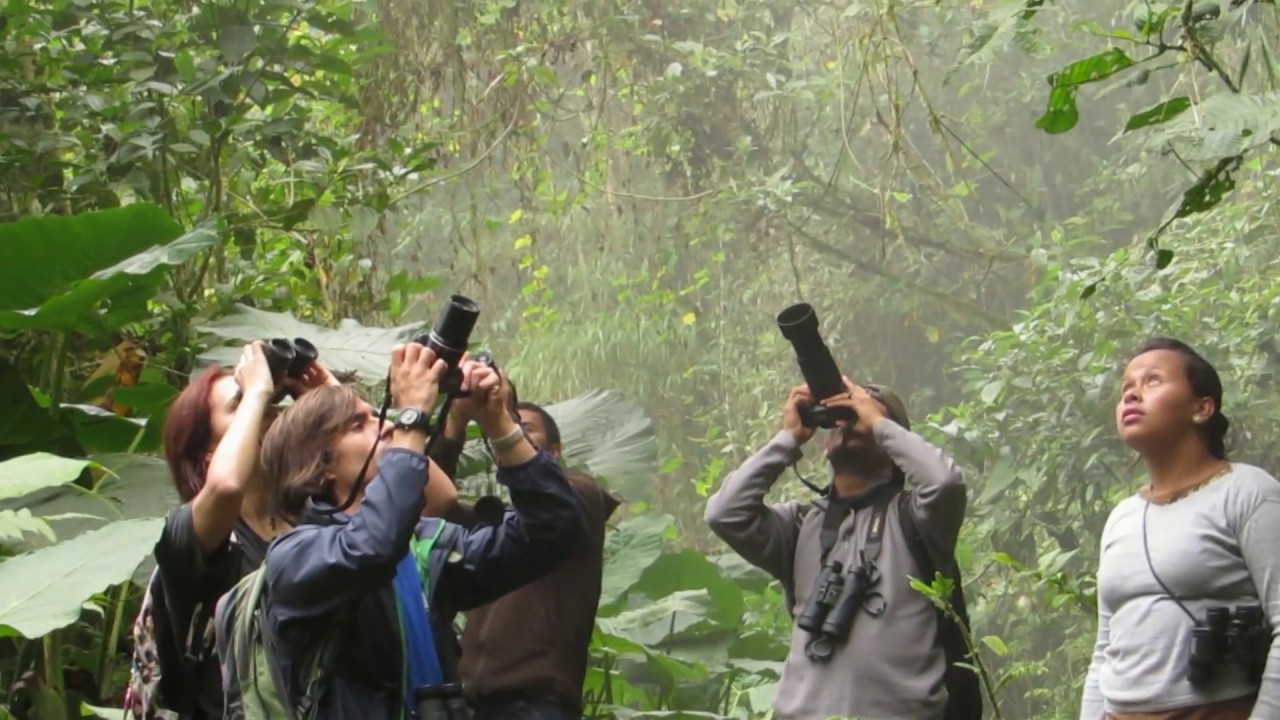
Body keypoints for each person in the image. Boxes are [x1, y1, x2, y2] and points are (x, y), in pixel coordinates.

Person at [244, 343, 587, 718]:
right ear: (319, 466)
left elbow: (551, 531)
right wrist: (412, 417)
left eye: (379, 415)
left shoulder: (426, 546)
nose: (389, 425)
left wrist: (499, 424)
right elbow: (372, 545)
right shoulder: (294, 556)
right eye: (360, 425)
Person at [705, 376, 969, 720]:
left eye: (864, 417)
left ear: (893, 445)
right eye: (842, 419)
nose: (851, 422)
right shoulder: (799, 527)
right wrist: (790, 437)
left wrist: (877, 421)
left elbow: (944, 482)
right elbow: (725, 513)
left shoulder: (917, 519)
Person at [125, 342, 338, 720]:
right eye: (239, 406)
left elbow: (398, 483)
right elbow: (225, 488)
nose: (269, 412)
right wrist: (255, 390)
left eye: (272, 404)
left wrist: (332, 402)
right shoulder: (189, 541)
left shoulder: (313, 515)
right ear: (209, 455)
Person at [1080, 337, 1280, 720]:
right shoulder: (1122, 516)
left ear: (1202, 408)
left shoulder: (1249, 493)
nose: (1132, 396)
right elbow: (1105, 647)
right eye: (1126, 389)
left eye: (1152, 381)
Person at [444, 400, 622, 720]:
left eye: (524, 430)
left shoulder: (579, 492)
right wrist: (455, 423)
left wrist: (501, 424)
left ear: (553, 452)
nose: (510, 434)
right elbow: (435, 508)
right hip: (471, 701)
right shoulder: (498, 527)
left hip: (536, 701)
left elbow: (550, 510)